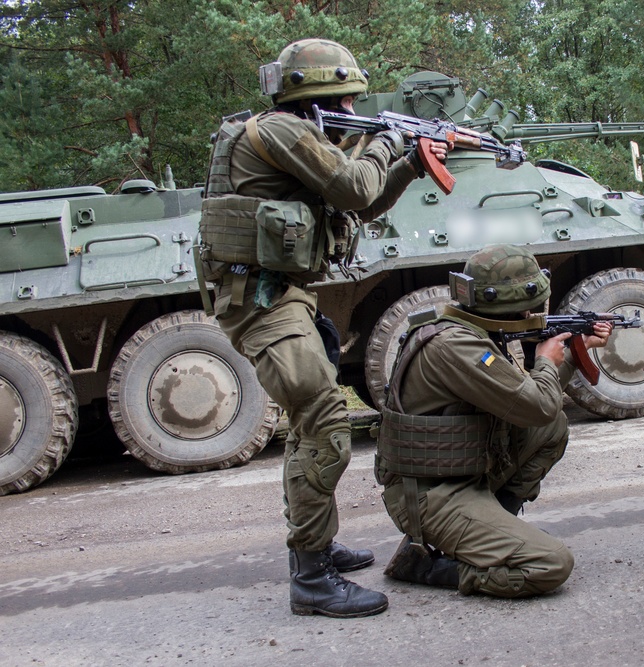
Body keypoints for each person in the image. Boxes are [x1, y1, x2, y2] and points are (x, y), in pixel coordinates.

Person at [197, 38, 449, 618]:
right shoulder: (283, 132)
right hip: (260, 300)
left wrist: (412, 161)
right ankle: (310, 577)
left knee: (311, 421)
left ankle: (318, 546)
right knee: (325, 424)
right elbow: (358, 184)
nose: (354, 110)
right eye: (346, 99)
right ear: (319, 96)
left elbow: (361, 205)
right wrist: (388, 138)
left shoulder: (301, 136)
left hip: (277, 293)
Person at [375, 244, 611, 597]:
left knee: (551, 428)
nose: (534, 314)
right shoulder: (457, 347)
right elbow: (537, 403)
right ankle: (428, 565)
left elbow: (531, 407)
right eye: (529, 308)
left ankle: (494, 526)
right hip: (430, 497)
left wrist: (574, 356)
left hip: (465, 474)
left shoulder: (470, 332)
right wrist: (546, 360)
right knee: (550, 563)